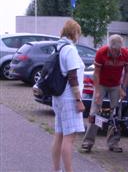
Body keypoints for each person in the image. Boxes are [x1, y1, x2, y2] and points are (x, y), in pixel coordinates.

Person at [81, 34, 128, 153]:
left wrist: (123, 88)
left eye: (117, 50)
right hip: (101, 84)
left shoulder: (125, 54)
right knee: (94, 112)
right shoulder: (101, 53)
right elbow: (96, 74)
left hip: (115, 86)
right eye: (113, 50)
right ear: (110, 47)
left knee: (116, 115)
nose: (115, 53)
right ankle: (88, 142)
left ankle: (113, 143)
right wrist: (97, 92)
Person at [51, 19, 85, 172]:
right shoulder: (70, 49)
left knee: (59, 134)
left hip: (57, 96)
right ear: (74, 33)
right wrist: (78, 100)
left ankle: (56, 169)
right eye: (78, 33)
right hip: (69, 97)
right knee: (69, 137)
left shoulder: (57, 47)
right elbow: (73, 76)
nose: (79, 36)